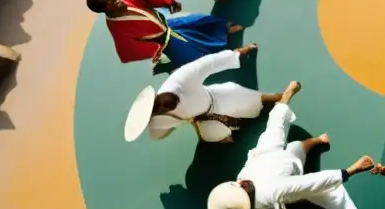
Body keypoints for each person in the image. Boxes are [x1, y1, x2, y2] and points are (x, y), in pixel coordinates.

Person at [206, 82, 383, 209]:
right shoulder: (273, 191)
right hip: (288, 171)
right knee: (328, 190)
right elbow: (310, 183)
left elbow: (271, 130)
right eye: (242, 188)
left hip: (272, 157)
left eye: (237, 185)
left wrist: (287, 97)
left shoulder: (248, 171)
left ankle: (316, 138)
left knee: (286, 136)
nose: (240, 183)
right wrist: (352, 170)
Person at [122, 45, 286, 144]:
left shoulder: (179, 79)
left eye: (160, 103)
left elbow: (208, 63)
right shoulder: (156, 123)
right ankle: (222, 134)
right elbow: (159, 134)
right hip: (203, 117)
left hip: (216, 97)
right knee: (215, 136)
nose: (164, 107)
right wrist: (191, 120)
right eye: (159, 110)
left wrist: (237, 54)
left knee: (247, 97)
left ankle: (277, 97)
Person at [86, 0, 242, 68]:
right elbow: (127, 53)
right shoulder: (118, 29)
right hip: (164, 41)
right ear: (105, 10)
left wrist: (170, 2)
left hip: (167, 23)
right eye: (113, 3)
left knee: (201, 20)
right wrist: (157, 50)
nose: (118, 1)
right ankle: (229, 56)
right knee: (198, 58)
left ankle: (224, 28)